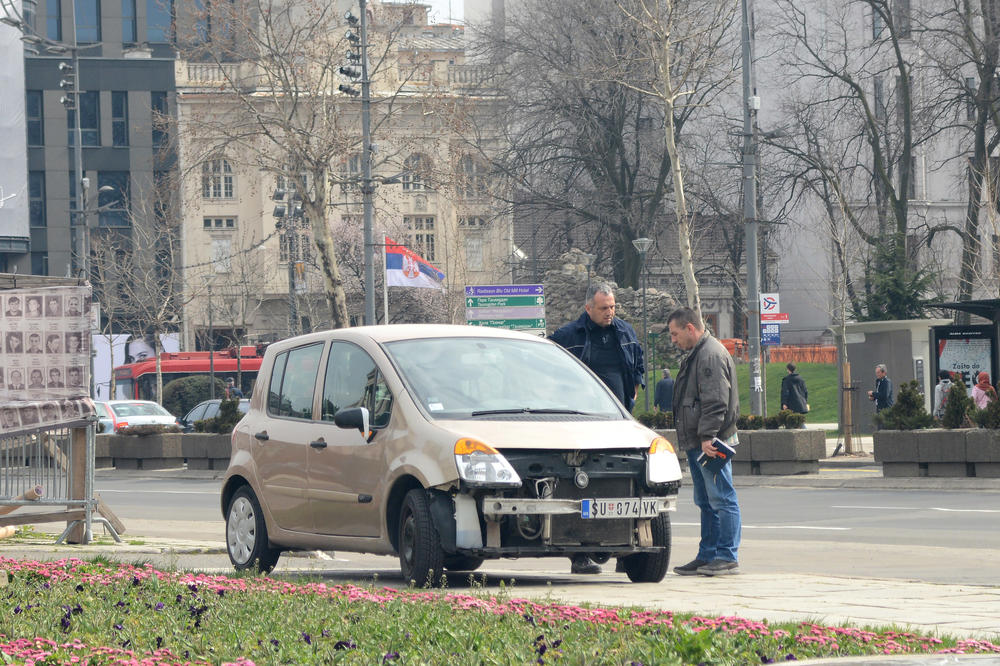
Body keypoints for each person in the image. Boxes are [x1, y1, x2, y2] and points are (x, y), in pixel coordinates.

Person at [549, 283, 645, 575]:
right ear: (588, 308)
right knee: (581, 487)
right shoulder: (569, 336)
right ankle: (579, 555)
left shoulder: (624, 331)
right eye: (604, 308)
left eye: (613, 307)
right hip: (580, 426)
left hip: (618, 424)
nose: (610, 313)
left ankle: (626, 554)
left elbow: (637, 358)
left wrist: (636, 384)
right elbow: (545, 361)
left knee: (626, 487)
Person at [668, 306, 742, 577]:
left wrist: (708, 436)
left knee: (721, 498)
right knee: (707, 500)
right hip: (701, 440)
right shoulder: (700, 352)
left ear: (690, 328)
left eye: (675, 334)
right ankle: (709, 555)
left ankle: (725, 556)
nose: (673, 340)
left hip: (710, 441)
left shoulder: (709, 355)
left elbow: (715, 401)